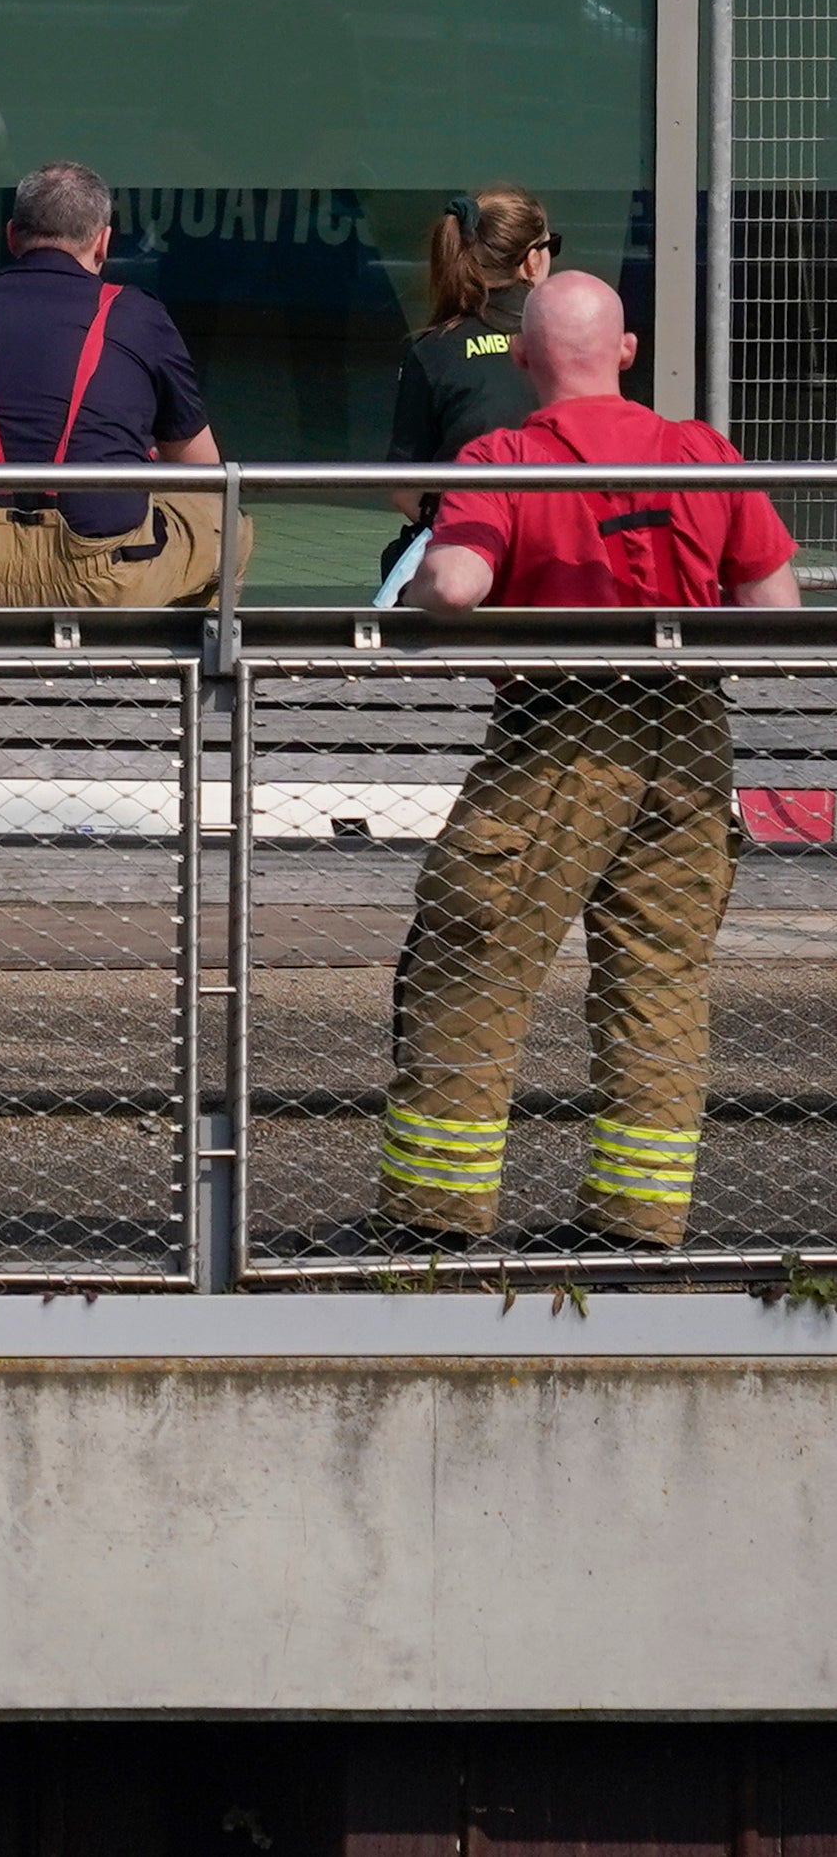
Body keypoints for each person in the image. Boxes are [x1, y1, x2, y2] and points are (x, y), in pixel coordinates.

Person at [376, 269, 804, 1251]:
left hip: (558, 737)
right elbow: (778, 614)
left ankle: (435, 1228)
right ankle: (638, 1226)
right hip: (692, 737)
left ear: (523, 359)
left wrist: (434, 592)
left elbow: (452, 579)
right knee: (658, 980)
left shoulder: (508, 455)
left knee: (471, 965)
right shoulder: (701, 454)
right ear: (626, 352)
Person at [0, 162, 224, 608]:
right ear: (103, 242)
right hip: (105, 582)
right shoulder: (139, 315)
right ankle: (199, 666)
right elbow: (199, 467)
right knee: (220, 518)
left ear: (11, 235)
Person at [381, 189, 558, 531]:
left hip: (468, 541)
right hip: (556, 541)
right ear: (532, 261)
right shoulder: (567, 337)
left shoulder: (432, 349)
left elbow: (405, 490)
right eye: (552, 247)